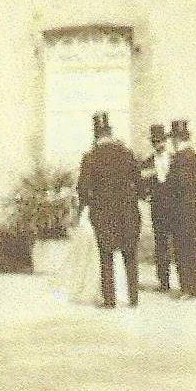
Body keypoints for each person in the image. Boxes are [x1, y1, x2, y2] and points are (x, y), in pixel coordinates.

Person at [76, 112, 143, 309]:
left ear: (96, 134)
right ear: (110, 132)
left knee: (106, 256)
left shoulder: (90, 157)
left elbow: (82, 188)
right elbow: (139, 184)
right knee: (130, 255)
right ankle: (133, 298)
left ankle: (110, 299)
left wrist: (88, 204)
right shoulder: (127, 153)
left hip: (103, 214)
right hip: (128, 212)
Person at [167, 119, 196, 299]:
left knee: (181, 251)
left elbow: (172, 187)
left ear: (176, 140)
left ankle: (186, 288)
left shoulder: (177, 160)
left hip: (180, 213)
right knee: (194, 251)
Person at [140, 124, 175, 292]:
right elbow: (141, 185)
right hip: (158, 208)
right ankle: (164, 281)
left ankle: (184, 281)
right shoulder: (147, 163)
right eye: (155, 142)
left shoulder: (175, 159)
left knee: (178, 242)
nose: (158, 144)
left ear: (165, 141)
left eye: (160, 141)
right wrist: (146, 195)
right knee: (161, 244)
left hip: (175, 207)